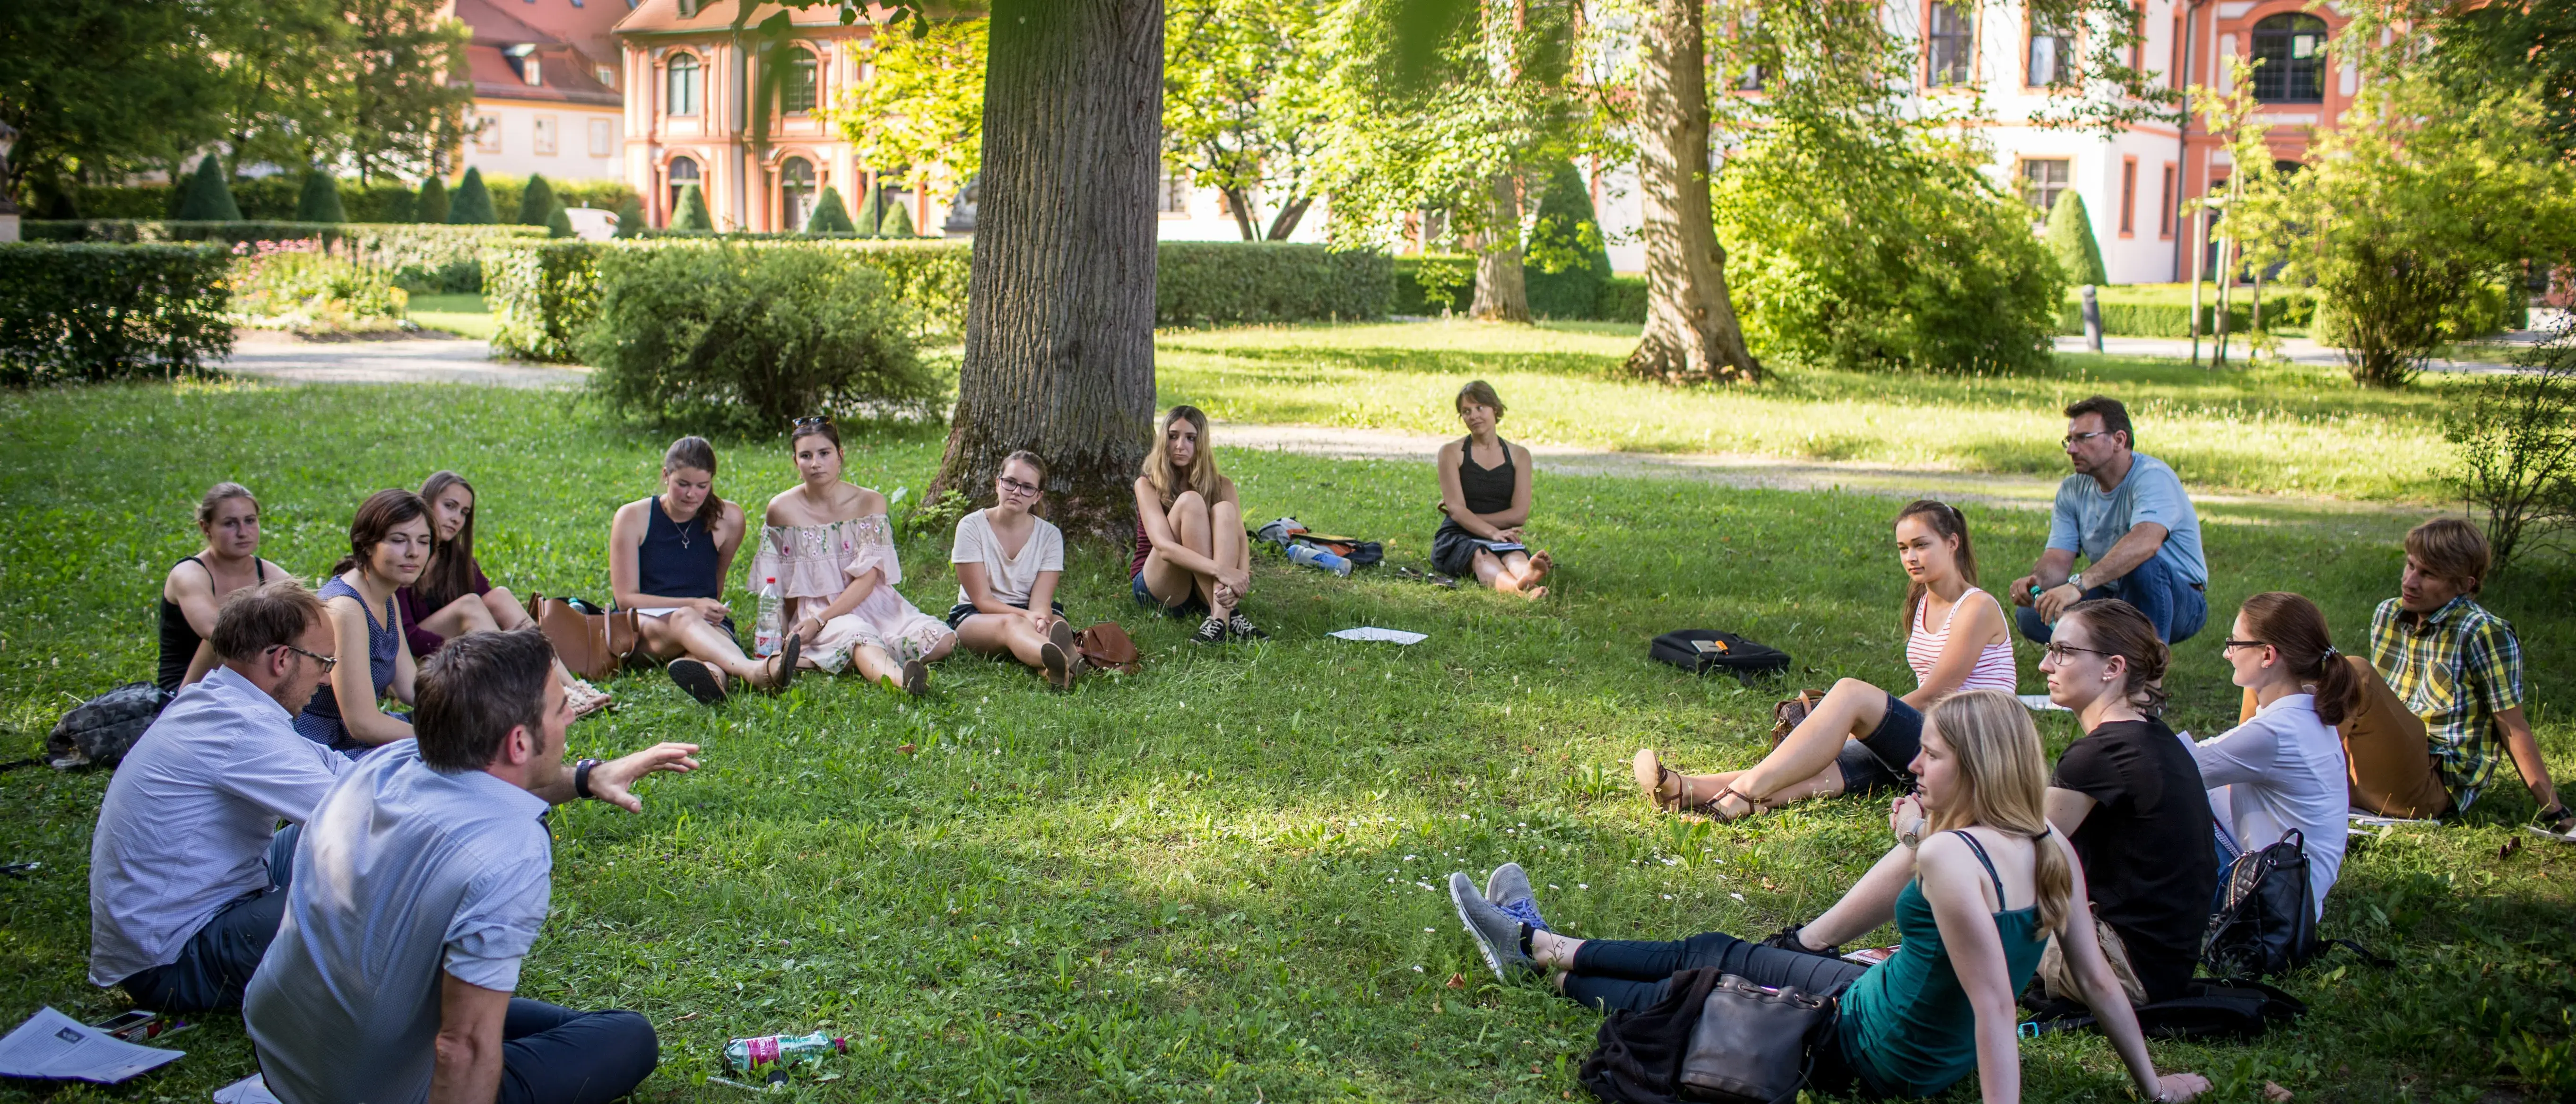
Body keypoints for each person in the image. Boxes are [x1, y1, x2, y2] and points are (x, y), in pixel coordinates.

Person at [1451, 690, 2208, 1104]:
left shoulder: (1949, 855)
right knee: (1716, 951)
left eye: (1932, 755)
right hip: (1896, 1012)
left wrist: (1920, 840)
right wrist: (2153, 1085)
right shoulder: (2046, 844)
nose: (1915, 764)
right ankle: (1545, 944)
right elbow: (2099, 981)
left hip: (1877, 1047)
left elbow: (1991, 1008)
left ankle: (1536, 955)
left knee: (1696, 992)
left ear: (1976, 769)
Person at [244, 628, 695, 1104]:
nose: (570, 716)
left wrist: (587, 777)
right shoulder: (509, 853)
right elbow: (463, 1047)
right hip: (367, 1088)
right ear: (519, 741)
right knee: (627, 1036)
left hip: (281, 1043)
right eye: (561, 706)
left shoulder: (386, 765)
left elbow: (493, 779)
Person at [1633, 500, 2014, 821]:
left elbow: (1935, 693)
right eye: (1902, 548)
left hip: (1976, 752)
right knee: (1819, 769)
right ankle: (1684, 789)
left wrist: (1855, 723)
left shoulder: (1977, 607)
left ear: (1952, 542)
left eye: (1920, 545)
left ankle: (1745, 789)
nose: (1910, 557)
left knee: (1849, 694)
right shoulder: (1924, 600)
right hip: (1932, 747)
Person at [92, 580, 340, 1012]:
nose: (327, 676)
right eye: (323, 661)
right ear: (282, 659)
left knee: (344, 854)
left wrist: (430, 768)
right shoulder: (241, 728)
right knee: (372, 889)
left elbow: (337, 768)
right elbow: (356, 816)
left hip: (216, 902)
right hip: (175, 960)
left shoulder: (221, 699)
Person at [2037, 599, 2216, 1007]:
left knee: (1956, 866)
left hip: (2117, 971)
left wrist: (1918, 831)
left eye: (2062, 651)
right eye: (2050, 650)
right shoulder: (2153, 735)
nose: (2046, 665)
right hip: (2161, 970)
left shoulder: (2102, 753)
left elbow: (2005, 848)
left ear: (2112, 667)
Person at [2365, 518, 2568, 830]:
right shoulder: (2387, 614)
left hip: (2430, 784)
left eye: (2428, 574)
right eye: (2410, 566)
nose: (2410, 581)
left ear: (2464, 585)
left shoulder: (2483, 632)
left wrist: (2554, 811)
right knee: (2297, 676)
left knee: (2357, 674)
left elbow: (2512, 726)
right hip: (2381, 767)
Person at [752, 417, 954, 696]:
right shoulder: (781, 509)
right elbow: (781, 581)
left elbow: (869, 579)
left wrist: (821, 621)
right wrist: (788, 631)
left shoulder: (869, 502)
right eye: (806, 456)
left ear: (840, 455)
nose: (816, 463)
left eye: (824, 453)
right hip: (817, 607)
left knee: (942, 640)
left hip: (869, 600)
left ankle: (836, 658)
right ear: (795, 461)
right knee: (858, 635)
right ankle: (905, 684)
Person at [2195, 592, 2357, 918]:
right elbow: (2205, 754)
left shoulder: (2276, 732)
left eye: (2234, 643)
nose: (2227, 653)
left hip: (2269, 905)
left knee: (2163, 796)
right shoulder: (2305, 708)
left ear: (2267, 655)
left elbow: (2174, 769)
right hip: (2295, 894)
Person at [397, 470, 609, 717]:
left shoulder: (457, 559)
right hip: (413, 662)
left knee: (499, 596)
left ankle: (571, 688)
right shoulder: (406, 555)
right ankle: (529, 695)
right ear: (426, 502)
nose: (456, 518)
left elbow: (491, 608)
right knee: (470, 605)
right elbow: (406, 636)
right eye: (450, 506)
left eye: (464, 512)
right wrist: (465, 645)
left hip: (454, 652)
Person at [609, 436, 796, 705]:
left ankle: (714, 679)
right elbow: (626, 599)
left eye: (701, 486)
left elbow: (715, 584)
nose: (691, 494)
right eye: (683, 484)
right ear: (666, 475)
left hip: (702, 620)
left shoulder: (729, 519)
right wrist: (693, 605)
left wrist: (706, 610)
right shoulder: (632, 517)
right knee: (685, 618)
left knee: (710, 651)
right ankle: (757, 672)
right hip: (644, 627)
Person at [2009, 396, 2209, 646]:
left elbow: (2146, 542)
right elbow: (2058, 558)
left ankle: (2149, 667)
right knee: (2033, 614)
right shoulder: (2073, 489)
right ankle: (2100, 658)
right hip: (2111, 592)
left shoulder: (2153, 477)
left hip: (2179, 600)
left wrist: (2078, 586)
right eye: (2070, 440)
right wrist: (2036, 583)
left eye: (2083, 438)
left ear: (2119, 440)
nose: (2071, 449)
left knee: (2142, 566)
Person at [292, 488, 429, 756]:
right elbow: (362, 724)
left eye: (423, 541)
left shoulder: (387, 596)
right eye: (399, 540)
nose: (414, 552)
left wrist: (469, 708)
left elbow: (409, 687)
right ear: (366, 544)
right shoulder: (347, 609)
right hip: (326, 747)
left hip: (358, 736)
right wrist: (445, 742)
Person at [1133, 405, 1266, 644]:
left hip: (1205, 591)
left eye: (1190, 438)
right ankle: (1229, 617)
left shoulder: (1223, 485)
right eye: (1173, 436)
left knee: (1225, 510)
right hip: (1160, 587)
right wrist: (1222, 572)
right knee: (1191, 502)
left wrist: (1241, 579)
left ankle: (1219, 620)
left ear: (1201, 443)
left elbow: (1241, 538)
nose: (1180, 445)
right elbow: (1164, 548)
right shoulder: (1147, 484)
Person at [951, 451, 1077, 689]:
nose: (1017, 491)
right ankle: (1064, 657)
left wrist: (1038, 618)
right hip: (977, 616)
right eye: (1010, 482)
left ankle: (1050, 669)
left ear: (1038, 496)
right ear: (997, 483)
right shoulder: (971, 527)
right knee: (1012, 624)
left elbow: (1041, 600)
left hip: (1030, 611)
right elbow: (983, 600)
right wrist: (1026, 618)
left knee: (1056, 623)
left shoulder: (1050, 536)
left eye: (1027, 487)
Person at [158, 482, 294, 692]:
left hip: (249, 685)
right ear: (206, 528)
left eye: (250, 521)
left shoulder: (273, 576)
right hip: (187, 688)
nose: (243, 532)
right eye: (230, 524)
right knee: (226, 631)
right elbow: (214, 631)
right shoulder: (188, 574)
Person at [1432, 380, 1553, 599]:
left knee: (1514, 555)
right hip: (1458, 535)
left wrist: (1467, 518)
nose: (1474, 416)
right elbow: (1457, 511)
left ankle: (1527, 574)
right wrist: (1491, 531)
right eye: (1466, 411)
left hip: (1499, 534)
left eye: (1480, 408)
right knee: (1482, 555)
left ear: (1495, 409)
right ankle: (1522, 592)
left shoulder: (1520, 456)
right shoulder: (1451, 453)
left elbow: (1519, 515)